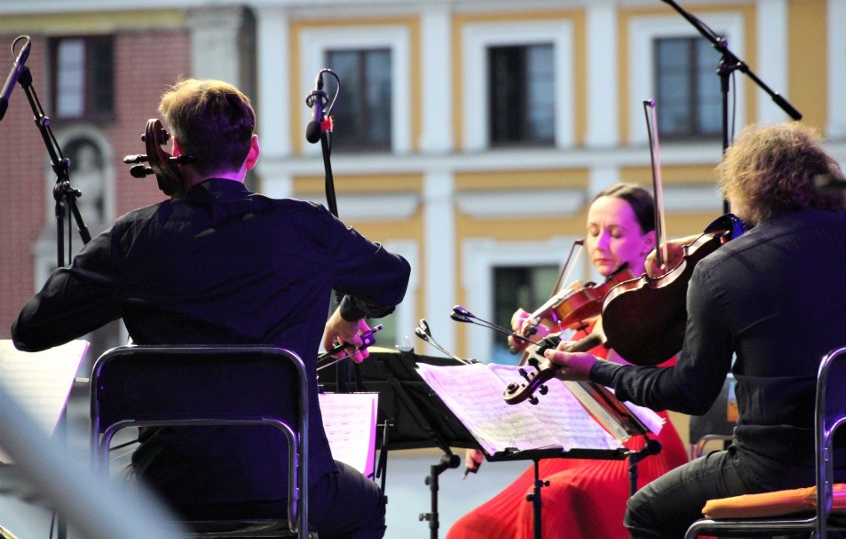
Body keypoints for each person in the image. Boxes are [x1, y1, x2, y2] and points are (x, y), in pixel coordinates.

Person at [11, 78, 410, 539]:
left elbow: (31, 329)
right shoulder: (305, 228)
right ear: (252, 151)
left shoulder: (133, 239)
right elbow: (392, 278)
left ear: (173, 149)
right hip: (287, 486)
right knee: (364, 505)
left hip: (166, 490)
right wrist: (348, 315)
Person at [547, 122, 846, 538]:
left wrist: (595, 370)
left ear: (744, 188)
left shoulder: (723, 272)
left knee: (645, 512)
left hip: (775, 469)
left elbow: (688, 392)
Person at [447, 182, 689, 539]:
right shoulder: (587, 308)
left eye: (615, 233)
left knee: (546, 501)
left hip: (639, 449)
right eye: (593, 232)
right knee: (468, 530)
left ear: (649, 241)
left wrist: (570, 347)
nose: (600, 245)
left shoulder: (660, 306)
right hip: (576, 448)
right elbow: (551, 399)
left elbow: (621, 379)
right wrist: (493, 430)